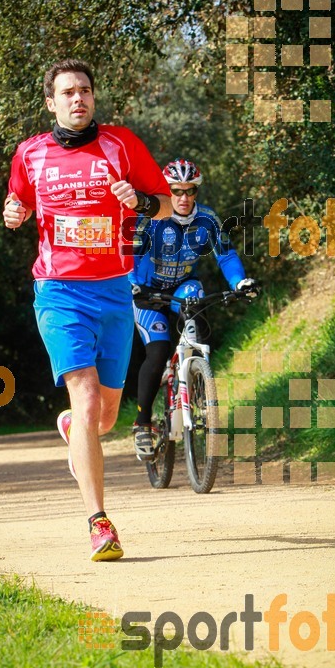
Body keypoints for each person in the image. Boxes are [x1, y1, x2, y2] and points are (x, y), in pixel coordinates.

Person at [3, 58, 171, 562]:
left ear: (94, 98)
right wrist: (13, 212)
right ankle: (100, 523)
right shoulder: (30, 154)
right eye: (68, 92)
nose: (79, 99)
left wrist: (139, 200)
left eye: (86, 91)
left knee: (105, 415)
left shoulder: (122, 145)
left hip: (115, 291)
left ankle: (76, 431)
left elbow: (164, 203)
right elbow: (18, 203)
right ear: (51, 102)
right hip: (59, 292)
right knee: (86, 396)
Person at [129, 158, 258, 461]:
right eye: (176, 191)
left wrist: (240, 282)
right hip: (149, 292)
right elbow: (129, 255)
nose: (184, 198)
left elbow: (225, 255)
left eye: (190, 191)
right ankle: (143, 422)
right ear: (166, 190)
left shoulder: (208, 220)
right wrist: (133, 284)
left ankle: (196, 377)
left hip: (183, 286)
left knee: (197, 325)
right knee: (158, 352)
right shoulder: (150, 218)